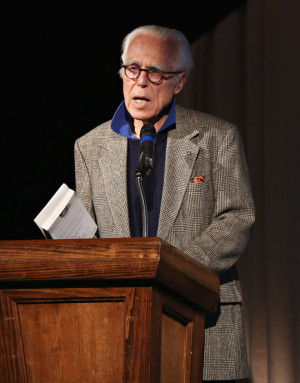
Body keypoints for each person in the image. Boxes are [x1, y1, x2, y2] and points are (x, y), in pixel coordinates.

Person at [74, 25, 255, 382]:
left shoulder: (218, 137)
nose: (141, 81)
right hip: (120, 324)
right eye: (133, 69)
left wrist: (174, 272)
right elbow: (89, 234)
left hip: (201, 319)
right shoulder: (89, 146)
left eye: (155, 72)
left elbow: (238, 218)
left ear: (179, 82)